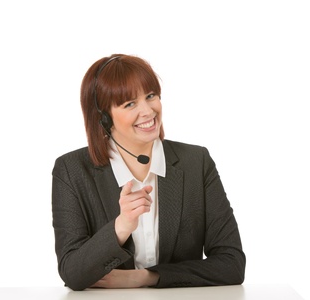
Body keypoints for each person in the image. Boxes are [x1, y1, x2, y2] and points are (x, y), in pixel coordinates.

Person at [51, 54, 246, 291]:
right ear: (103, 118)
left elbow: (232, 264)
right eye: (129, 104)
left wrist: (147, 277)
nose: (148, 111)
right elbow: (72, 273)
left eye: (150, 96)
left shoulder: (196, 162)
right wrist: (122, 226)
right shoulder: (72, 171)